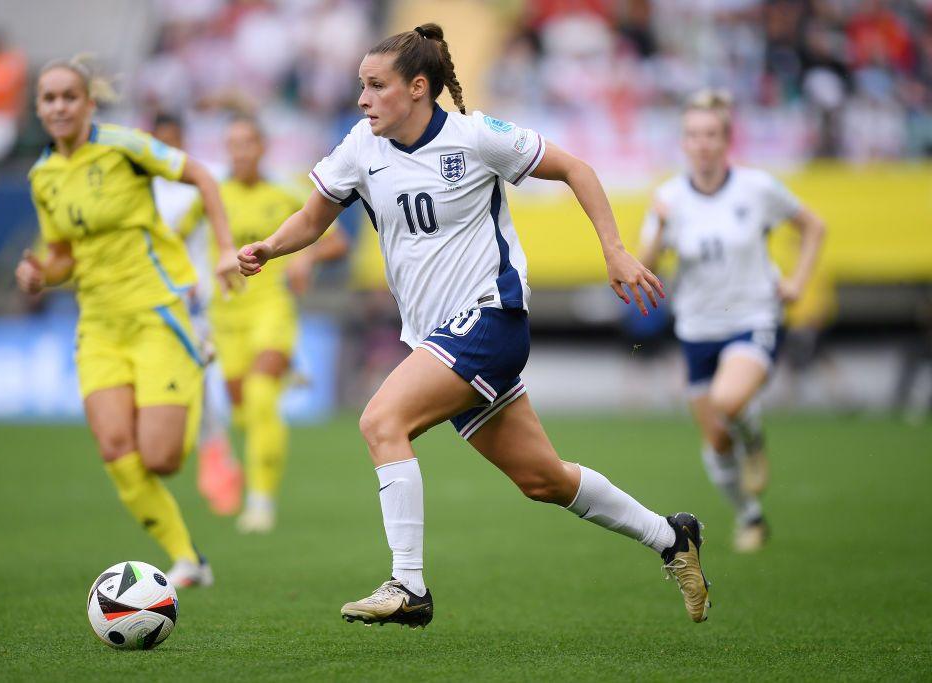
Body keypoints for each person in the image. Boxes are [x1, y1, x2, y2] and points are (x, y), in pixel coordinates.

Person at [237, 23, 711, 627]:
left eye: (374, 86)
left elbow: (577, 170)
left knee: (381, 422)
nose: (362, 99)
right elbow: (313, 216)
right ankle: (672, 538)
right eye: (360, 86)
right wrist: (271, 248)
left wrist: (614, 250)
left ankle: (407, 585)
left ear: (416, 88)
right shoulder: (362, 145)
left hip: (491, 317)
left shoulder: (478, 136)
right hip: (438, 338)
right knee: (543, 479)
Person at [15, 55, 240, 586]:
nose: (59, 106)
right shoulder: (42, 176)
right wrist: (39, 274)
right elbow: (62, 255)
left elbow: (202, 176)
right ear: (39, 109)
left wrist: (225, 249)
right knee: (116, 450)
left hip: (156, 311)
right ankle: (188, 558)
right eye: (48, 98)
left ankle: (194, 355)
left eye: (69, 96)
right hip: (97, 325)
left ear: (89, 102)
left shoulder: (124, 146)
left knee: (160, 460)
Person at [639, 89, 826, 553]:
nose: (702, 143)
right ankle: (750, 515)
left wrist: (798, 280)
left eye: (711, 135)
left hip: (753, 315)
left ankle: (754, 436)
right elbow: (645, 267)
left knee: (729, 398)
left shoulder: (756, 188)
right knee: (717, 443)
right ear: (683, 142)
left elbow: (813, 226)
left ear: (727, 140)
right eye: (693, 135)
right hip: (697, 327)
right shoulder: (668, 197)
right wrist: (658, 229)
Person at [179, 115, 349, 533]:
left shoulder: (285, 192)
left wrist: (306, 258)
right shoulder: (212, 195)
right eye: (232, 144)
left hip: (272, 308)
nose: (240, 152)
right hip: (226, 314)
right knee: (242, 413)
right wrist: (184, 279)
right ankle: (284, 379)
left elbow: (337, 240)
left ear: (262, 147)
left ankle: (260, 501)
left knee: (259, 398)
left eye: (247, 143)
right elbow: (174, 239)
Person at [151, 112, 244, 517]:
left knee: (200, 382)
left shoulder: (201, 182)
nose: (169, 149)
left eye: (175, 140)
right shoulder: (143, 187)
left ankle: (214, 458)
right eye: (162, 141)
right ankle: (195, 451)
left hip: (195, 300)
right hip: (150, 300)